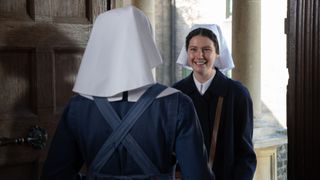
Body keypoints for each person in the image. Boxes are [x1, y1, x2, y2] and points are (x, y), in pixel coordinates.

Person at [41, 6, 214, 180]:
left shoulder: (77, 107)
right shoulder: (177, 104)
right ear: (146, 41)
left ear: (99, 42)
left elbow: (55, 176)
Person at [173, 24, 256, 180]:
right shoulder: (176, 93)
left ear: (217, 53)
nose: (199, 55)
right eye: (193, 49)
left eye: (206, 49)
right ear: (187, 52)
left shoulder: (237, 94)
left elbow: (245, 154)